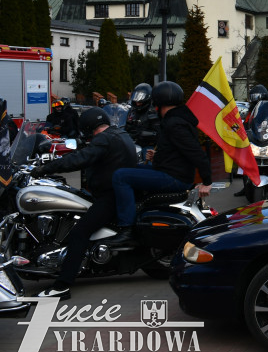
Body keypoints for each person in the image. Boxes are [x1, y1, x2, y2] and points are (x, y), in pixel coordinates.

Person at [31, 107, 140, 297]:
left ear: (88, 127)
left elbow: (80, 159)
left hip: (110, 196)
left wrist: (46, 169)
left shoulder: (104, 139)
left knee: (79, 233)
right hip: (116, 193)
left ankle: (62, 286)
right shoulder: (118, 134)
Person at [107, 81, 213, 245]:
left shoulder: (174, 123)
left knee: (121, 177)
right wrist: (157, 156)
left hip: (175, 177)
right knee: (128, 169)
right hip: (171, 171)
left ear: (158, 102)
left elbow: (196, 152)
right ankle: (133, 212)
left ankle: (126, 229)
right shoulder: (177, 119)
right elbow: (177, 151)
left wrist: (207, 181)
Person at [125, 83, 160, 162]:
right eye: (136, 97)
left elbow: (157, 133)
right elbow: (125, 125)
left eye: (140, 98)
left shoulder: (153, 112)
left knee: (147, 160)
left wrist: (140, 133)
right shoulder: (132, 111)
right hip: (131, 143)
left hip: (147, 145)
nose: (137, 102)